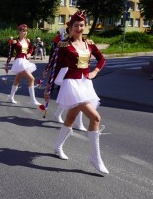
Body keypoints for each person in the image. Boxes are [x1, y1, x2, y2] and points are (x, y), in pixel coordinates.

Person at [44, 11, 109, 174]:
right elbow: (56, 68)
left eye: (81, 25)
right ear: (70, 28)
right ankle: (95, 158)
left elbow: (102, 59)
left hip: (85, 84)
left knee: (71, 117)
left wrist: (95, 72)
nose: (79, 28)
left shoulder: (90, 44)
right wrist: (48, 88)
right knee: (95, 117)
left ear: (84, 26)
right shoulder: (64, 46)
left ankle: (57, 147)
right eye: (76, 26)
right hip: (71, 84)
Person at [43, 23, 87, 131]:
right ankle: (78, 123)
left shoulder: (83, 43)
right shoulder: (64, 44)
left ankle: (57, 114)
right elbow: (55, 60)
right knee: (78, 98)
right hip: (66, 74)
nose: (76, 30)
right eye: (73, 29)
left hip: (79, 75)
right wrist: (48, 71)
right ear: (69, 31)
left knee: (71, 97)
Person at [5, 24, 41, 106]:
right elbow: (10, 53)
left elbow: (32, 48)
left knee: (17, 80)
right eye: (23, 31)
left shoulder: (27, 40)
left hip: (25, 61)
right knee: (31, 79)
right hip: (19, 61)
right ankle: (33, 100)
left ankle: (11, 96)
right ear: (19, 32)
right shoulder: (15, 41)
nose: (25, 32)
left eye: (26, 31)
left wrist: (29, 54)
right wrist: (7, 64)